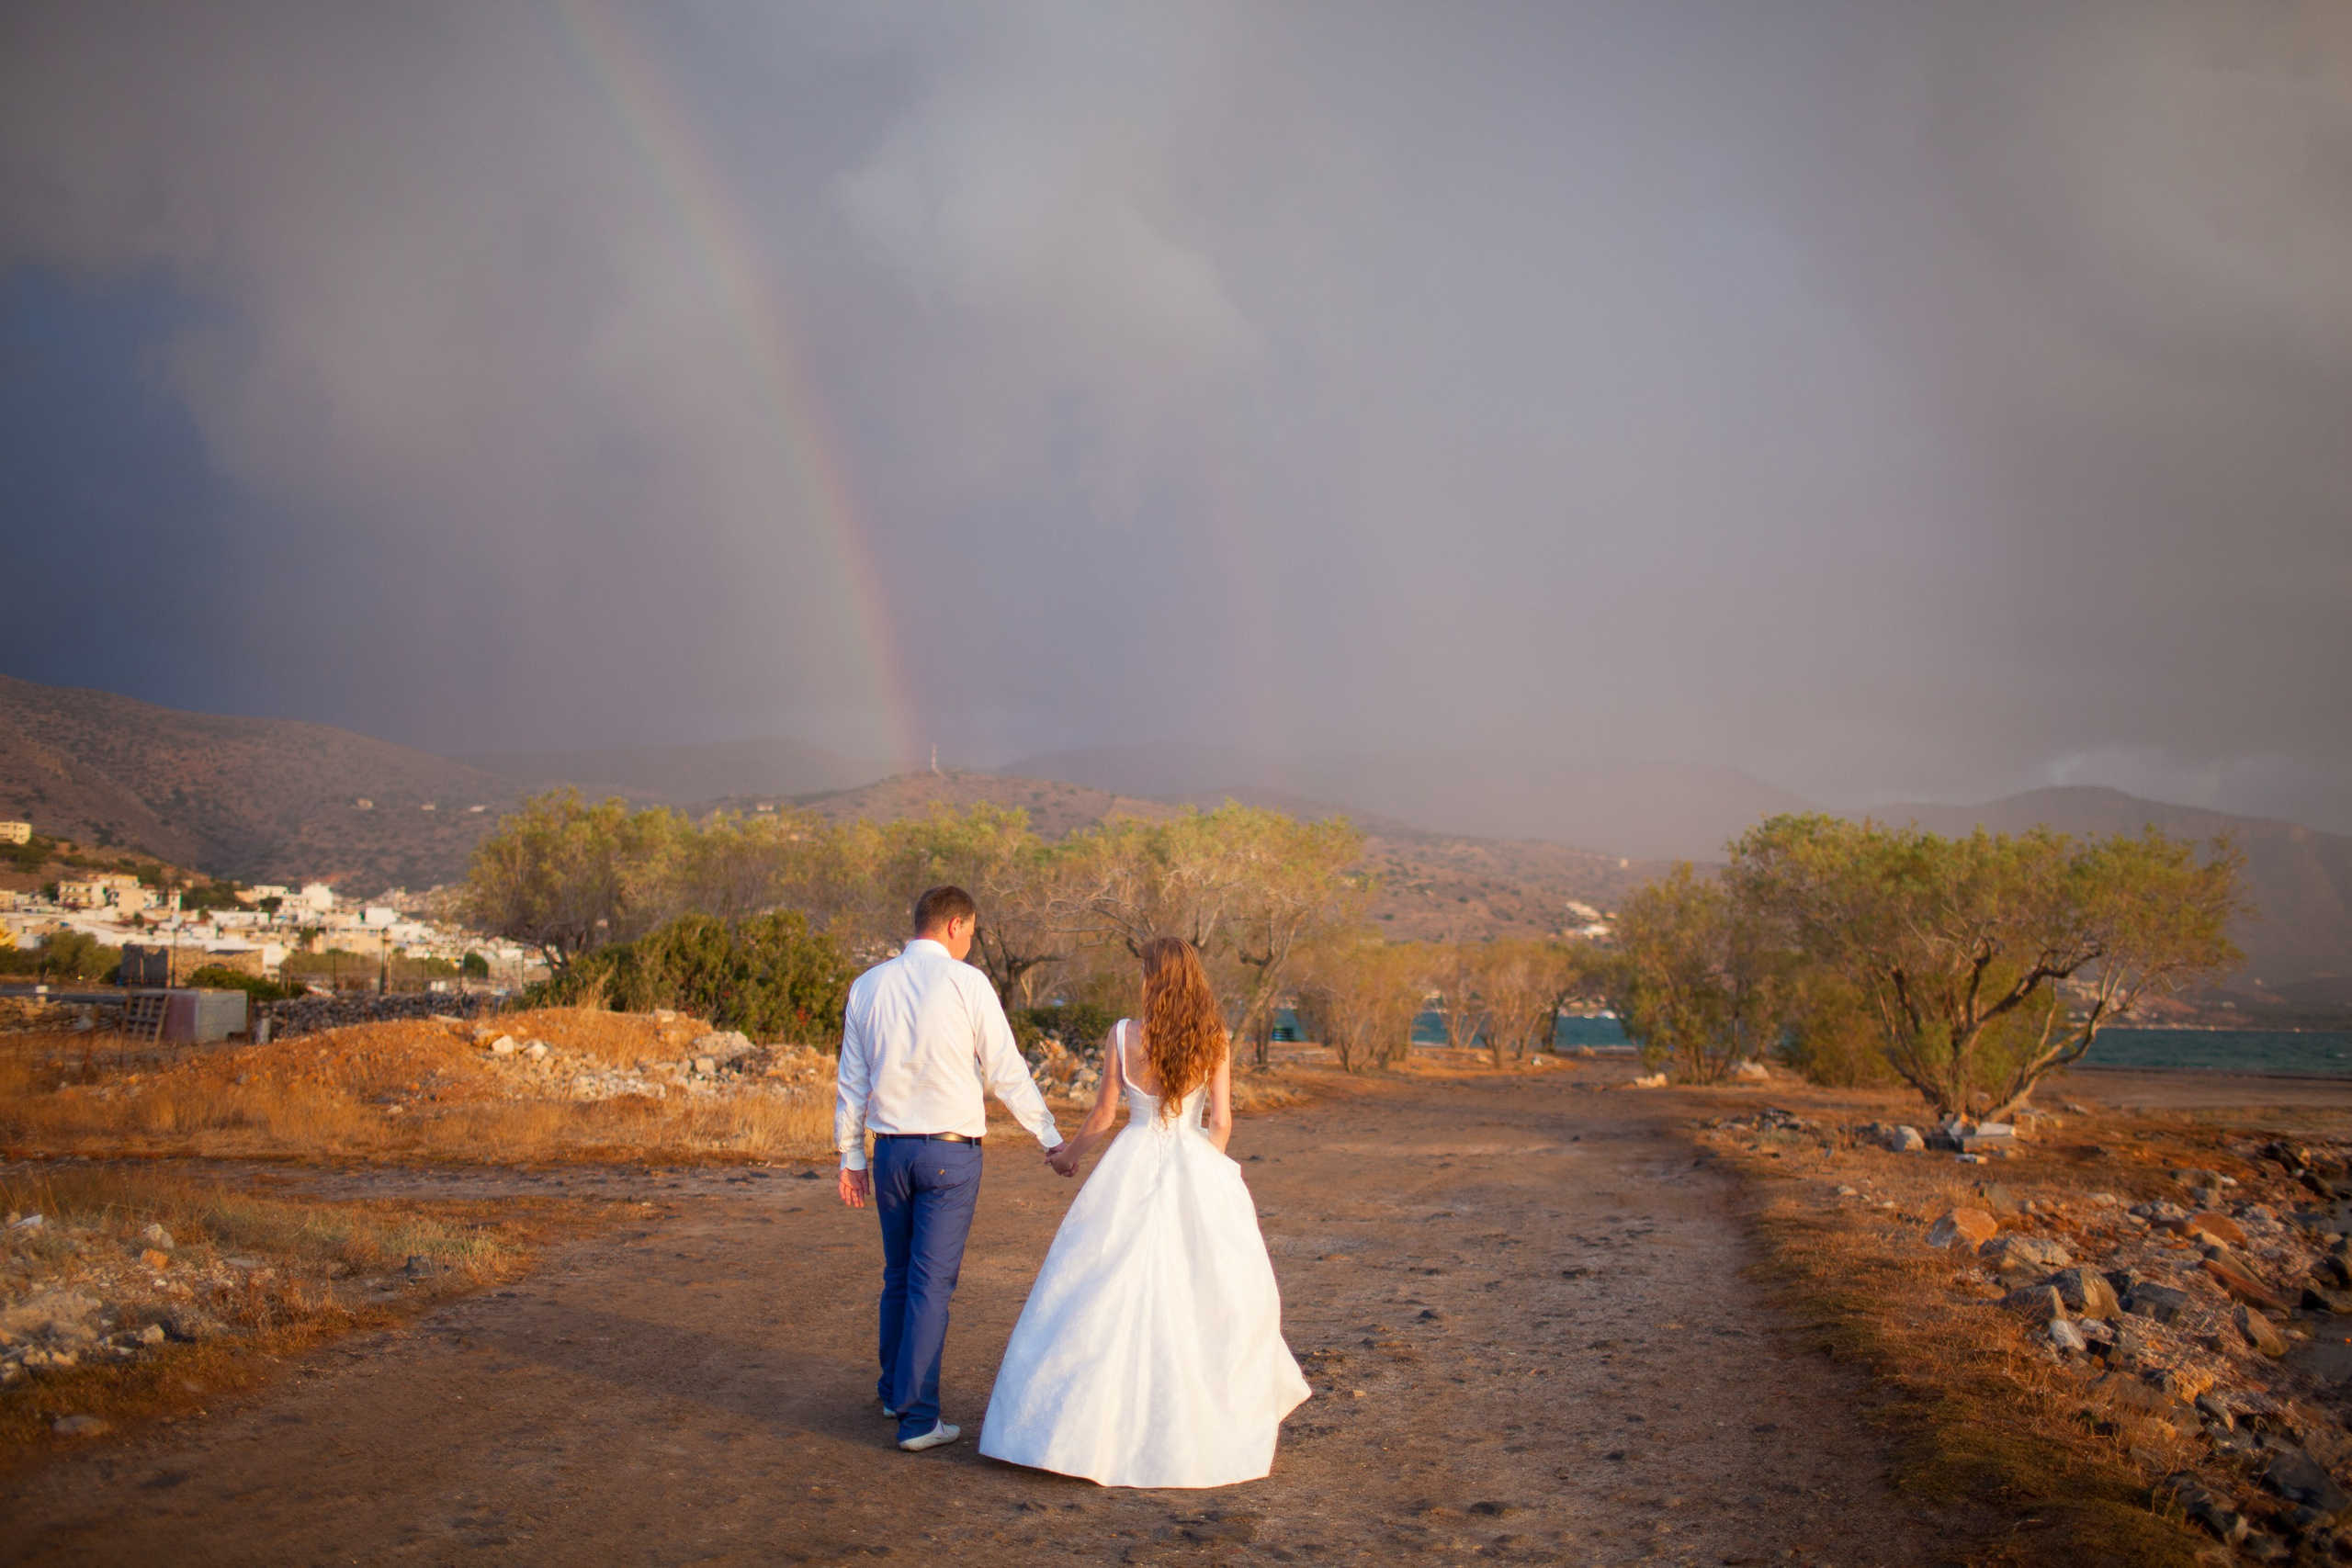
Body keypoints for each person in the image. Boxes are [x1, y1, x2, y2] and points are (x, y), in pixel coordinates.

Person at [978, 936, 1311, 1487]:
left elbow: (1104, 1113)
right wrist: (1208, 1172)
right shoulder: (1214, 1037)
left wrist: (1068, 1157)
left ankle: (1076, 1431)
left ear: (1153, 977)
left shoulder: (1123, 1034)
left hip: (1129, 1161)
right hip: (1194, 1159)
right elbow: (1221, 1122)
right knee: (1204, 1287)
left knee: (1098, 1283)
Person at [836, 885, 1065, 1452]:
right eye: (972, 932)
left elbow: (852, 1082)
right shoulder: (967, 983)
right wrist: (1048, 1136)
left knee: (898, 1275)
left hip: (889, 1153)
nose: (971, 943)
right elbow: (1005, 1069)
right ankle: (918, 1420)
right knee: (930, 1284)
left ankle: (893, 1393)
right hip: (949, 1154)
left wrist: (851, 1155)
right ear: (955, 925)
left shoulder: (867, 985)